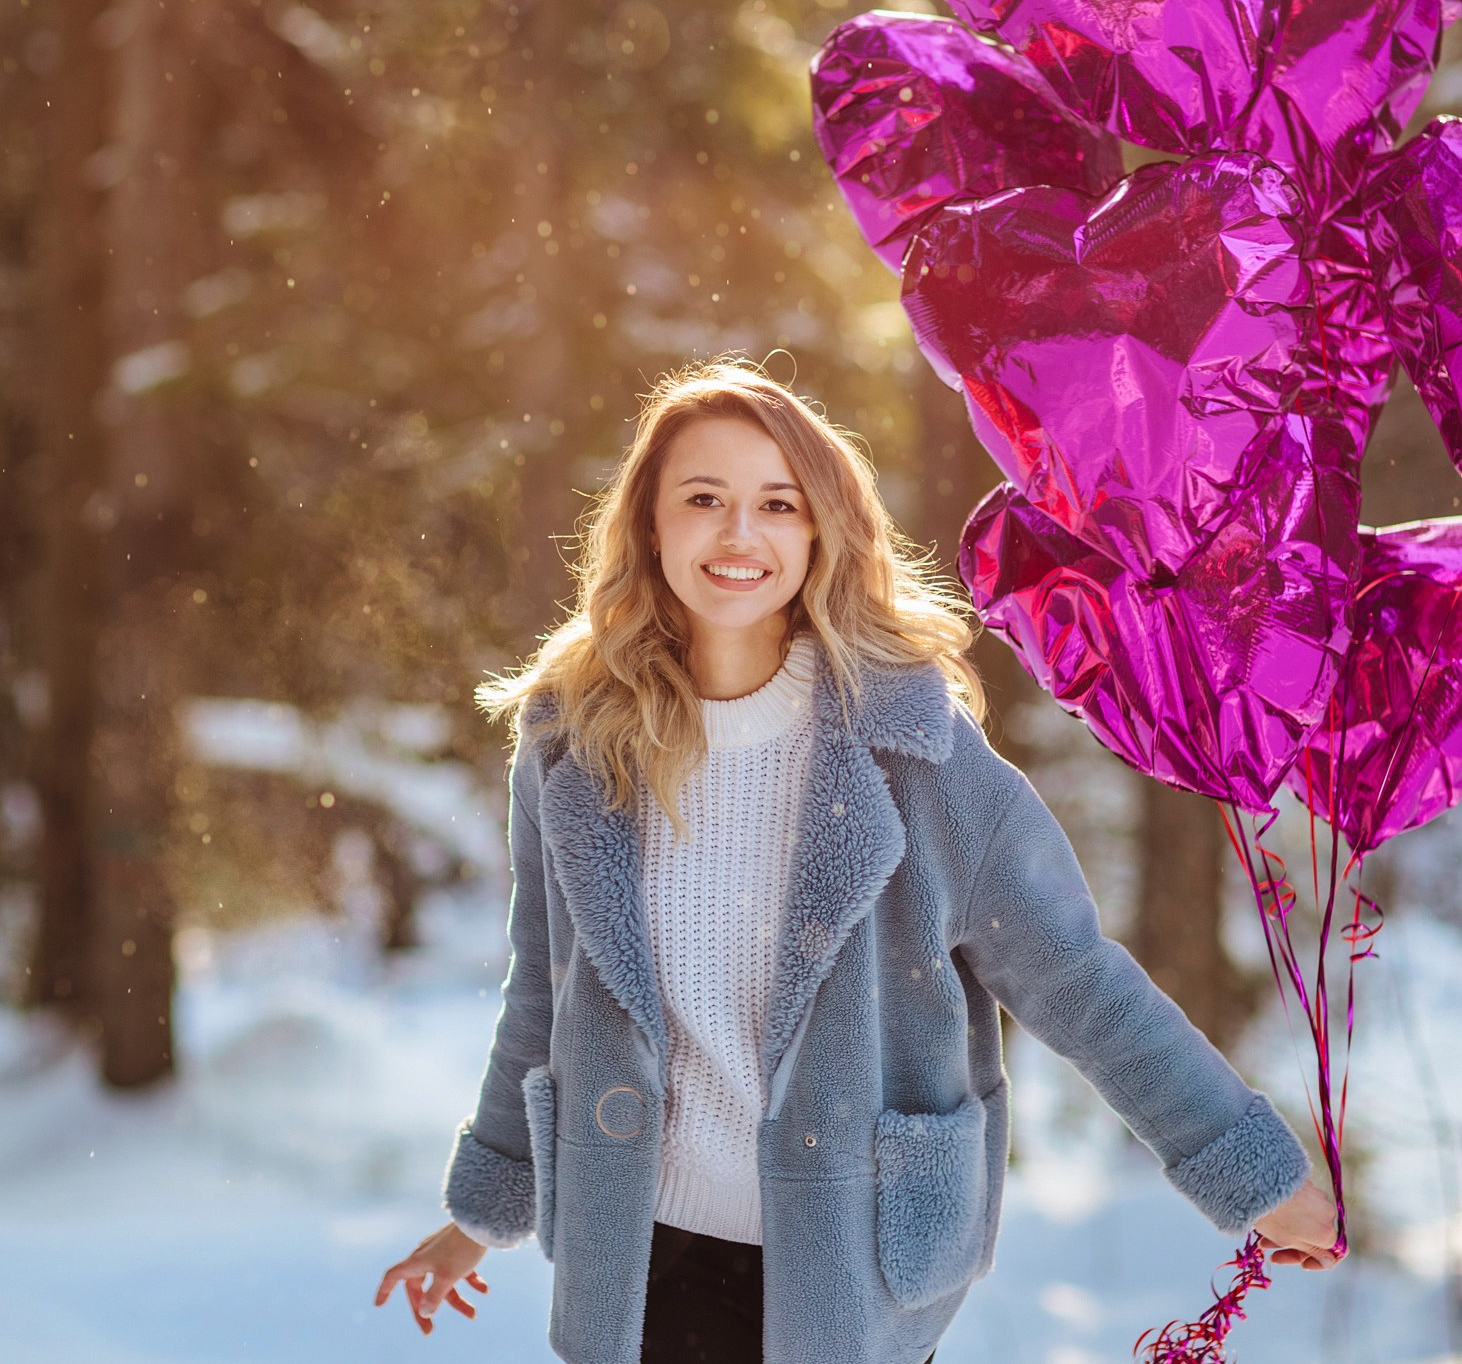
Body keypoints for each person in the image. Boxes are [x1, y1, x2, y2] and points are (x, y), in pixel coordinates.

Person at [376, 356, 1343, 1363]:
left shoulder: (916, 751)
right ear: (649, 525)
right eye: (702, 498)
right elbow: (542, 990)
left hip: (850, 1259)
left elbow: (1077, 981)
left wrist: (1253, 1175)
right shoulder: (574, 740)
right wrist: (483, 1209)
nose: (737, 534)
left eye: (775, 504)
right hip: (638, 1252)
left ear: (818, 530)